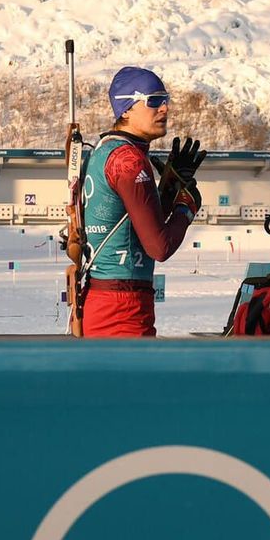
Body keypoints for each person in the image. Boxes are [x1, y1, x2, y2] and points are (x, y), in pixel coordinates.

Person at [79, 66, 205, 337]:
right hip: (122, 307)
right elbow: (159, 246)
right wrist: (186, 207)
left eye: (166, 99)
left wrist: (169, 188)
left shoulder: (107, 150)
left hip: (106, 297)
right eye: (154, 101)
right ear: (126, 109)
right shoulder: (130, 161)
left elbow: (135, 221)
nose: (165, 108)